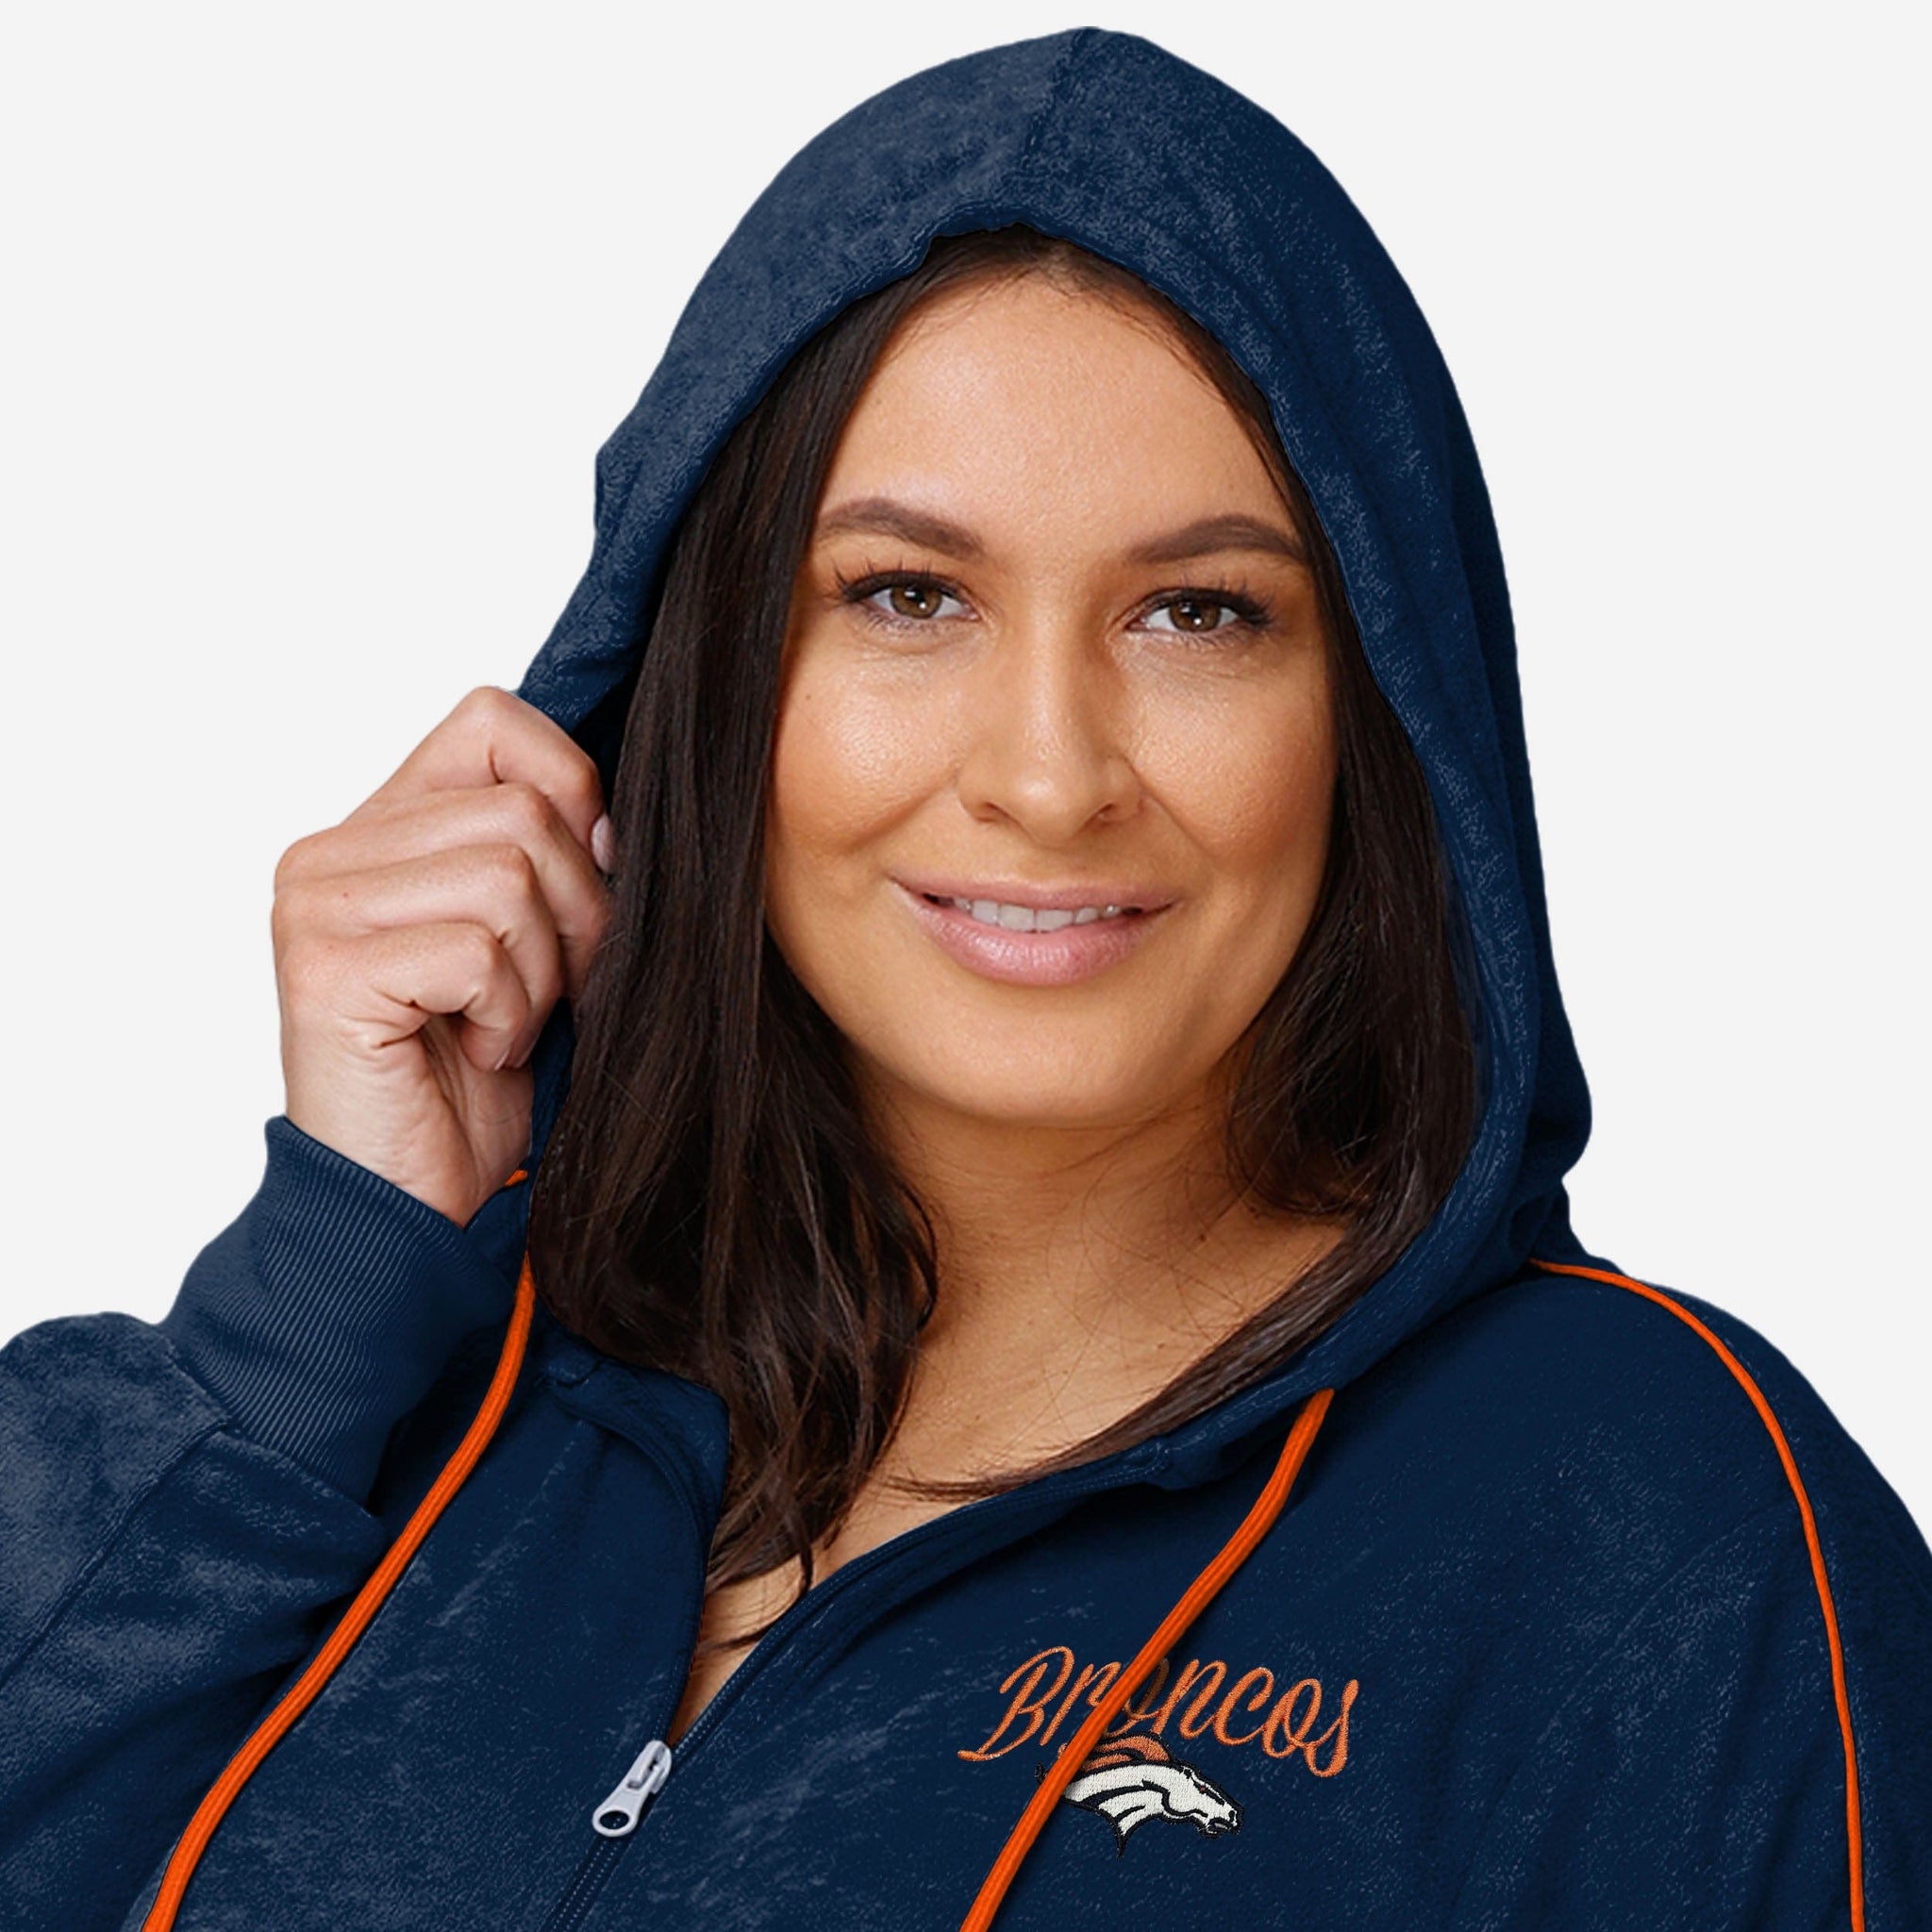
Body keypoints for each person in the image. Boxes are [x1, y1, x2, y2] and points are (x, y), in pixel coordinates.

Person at [3, 25, 1925, 1931]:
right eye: (907, 595)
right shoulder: (386, 1388)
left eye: (1199, 612)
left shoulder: (1660, 1524)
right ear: (705, 671)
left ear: (1378, 712)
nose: (1048, 773)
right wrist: (318, 1292)